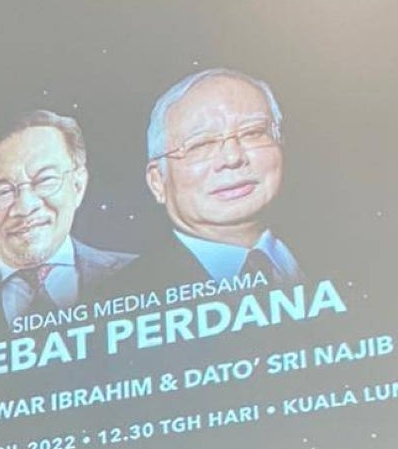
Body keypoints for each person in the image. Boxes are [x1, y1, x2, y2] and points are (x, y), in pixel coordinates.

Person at [0, 110, 136, 335]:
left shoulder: (143, 275)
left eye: (45, 180)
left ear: (78, 186)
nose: (25, 207)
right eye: (2, 192)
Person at [127, 68, 302, 292]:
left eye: (252, 133)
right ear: (157, 181)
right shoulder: (121, 294)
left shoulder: (347, 256)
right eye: (200, 145)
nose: (232, 158)